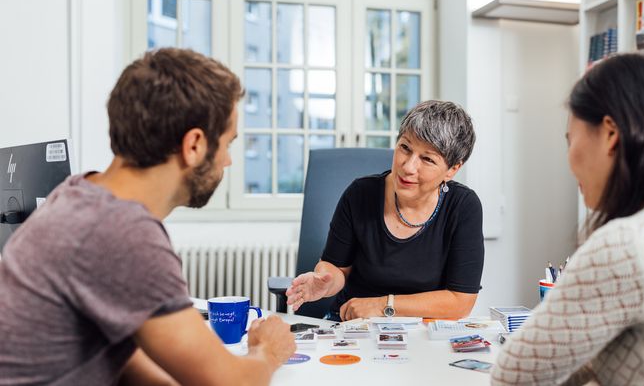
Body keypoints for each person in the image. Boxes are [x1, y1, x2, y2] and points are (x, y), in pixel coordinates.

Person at [0, 48, 296, 385]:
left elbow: (123, 359)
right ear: (195, 145)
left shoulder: (76, 195)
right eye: (228, 144)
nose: (227, 161)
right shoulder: (121, 232)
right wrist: (268, 350)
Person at [491, 54, 644, 385]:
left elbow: (512, 376)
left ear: (610, 134)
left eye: (570, 140)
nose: (569, 160)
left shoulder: (629, 242)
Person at [286, 100, 484, 321]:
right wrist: (326, 282)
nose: (408, 167)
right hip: (353, 326)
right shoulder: (360, 193)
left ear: (453, 169)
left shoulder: (463, 207)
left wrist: (384, 305)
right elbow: (336, 267)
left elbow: (460, 301)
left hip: (422, 332)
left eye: (427, 159)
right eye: (405, 148)